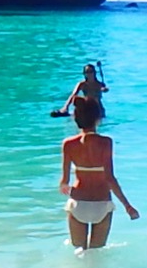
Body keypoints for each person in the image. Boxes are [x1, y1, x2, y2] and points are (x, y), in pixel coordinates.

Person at [59, 96, 137, 250]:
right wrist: (127, 205)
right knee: (96, 254)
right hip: (101, 202)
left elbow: (64, 181)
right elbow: (110, 178)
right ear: (98, 118)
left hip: (78, 202)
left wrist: (63, 186)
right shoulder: (106, 142)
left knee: (79, 252)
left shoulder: (68, 144)